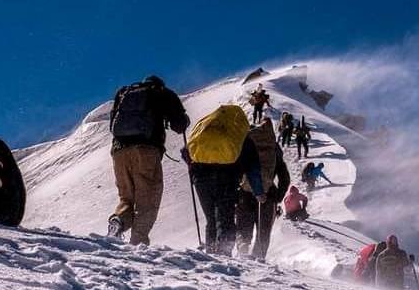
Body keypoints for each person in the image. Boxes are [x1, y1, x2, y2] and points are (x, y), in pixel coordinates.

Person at [107, 75, 189, 245]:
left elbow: (112, 126)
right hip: (146, 151)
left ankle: (119, 221)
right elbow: (179, 125)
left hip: (119, 152)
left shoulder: (124, 93)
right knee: (148, 201)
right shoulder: (163, 93)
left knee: (126, 199)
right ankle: (138, 244)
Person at [184, 105, 265, 255]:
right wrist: (259, 191)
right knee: (225, 216)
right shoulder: (241, 138)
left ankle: (210, 252)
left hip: (201, 178)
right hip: (227, 178)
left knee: (211, 218)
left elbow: (185, 151)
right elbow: (253, 168)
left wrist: (194, 169)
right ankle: (223, 252)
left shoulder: (204, 130)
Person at [235, 118, 291, 260]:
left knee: (243, 228)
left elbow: (238, 169)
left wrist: (236, 191)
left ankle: (242, 251)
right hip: (268, 196)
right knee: (263, 233)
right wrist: (277, 197)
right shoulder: (273, 147)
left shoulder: (245, 143)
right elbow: (284, 176)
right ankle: (258, 261)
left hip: (245, 194)